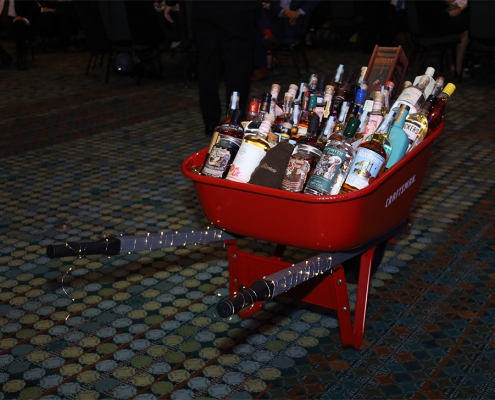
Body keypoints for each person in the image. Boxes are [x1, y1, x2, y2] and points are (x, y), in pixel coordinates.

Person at [164, 1, 261, 136]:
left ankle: (210, 122)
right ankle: (234, 121)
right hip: (237, 9)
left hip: (204, 9)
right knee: (237, 66)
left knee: (208, 65)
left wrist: (170, 2)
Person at [252, 0, 321, 81]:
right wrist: (284, 11)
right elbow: (274, 5)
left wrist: (298, 13)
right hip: (276, 18)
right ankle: (268, 37)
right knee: (256, 15)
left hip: (291, 23)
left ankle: (262, 68)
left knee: (257, 30)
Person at [416, 0, 470, 78]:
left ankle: (461, 63)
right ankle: (458, 67)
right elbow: (432, 16)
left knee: (465, 22)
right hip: (430, 29)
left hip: (426, 25)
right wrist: (449, 13)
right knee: (467, 30)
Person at [0, 0, 39, 69]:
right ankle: (4, 56)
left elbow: (34, 8)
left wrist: (24, 19)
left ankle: (21, 57)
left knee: (20, 26)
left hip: (15, 18)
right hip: (1, 18)